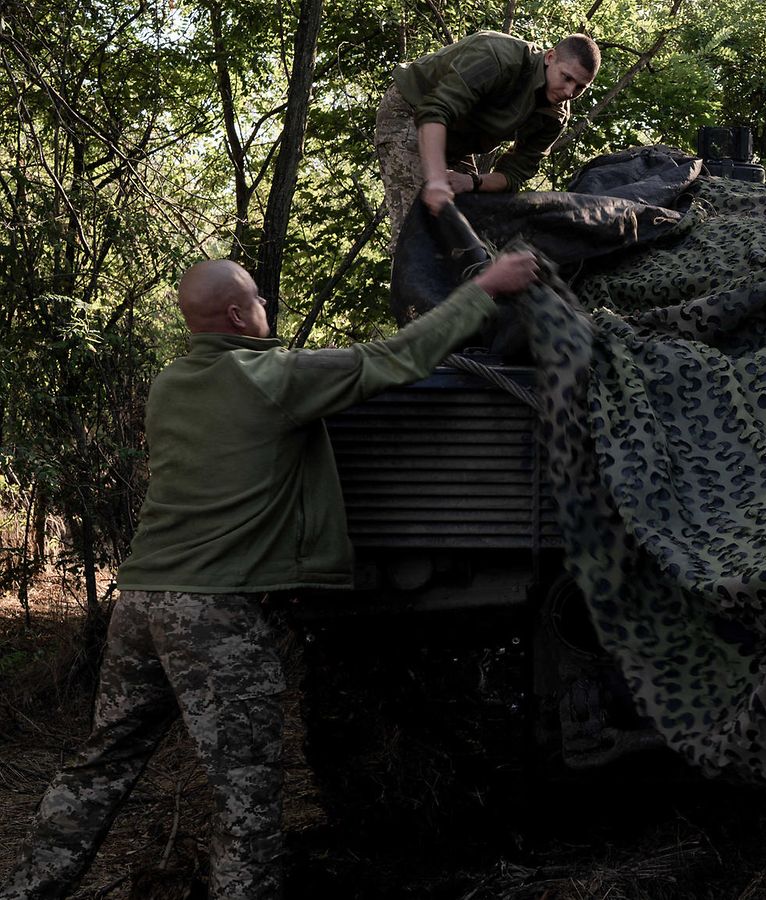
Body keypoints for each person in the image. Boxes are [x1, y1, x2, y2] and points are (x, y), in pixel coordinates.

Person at [0, 249, 541, 900]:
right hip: (212, 614)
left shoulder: (170, 383)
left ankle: (27, 890)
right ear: (236, 314)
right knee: (245, 797)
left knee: (100, 764)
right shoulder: (272, 379)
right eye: (257, 298)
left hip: (140, 601)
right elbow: (399, 356)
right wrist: (485, 288)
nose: (265, 306)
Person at [375, 30, 601, 233]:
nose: (570, 91)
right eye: (567, 78)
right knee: (417, 230)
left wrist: (472, 182)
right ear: (550, 57)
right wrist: (435, 181)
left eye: (580, 87)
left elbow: (514, 175)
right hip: (411, 110)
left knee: (470, 231)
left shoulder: (555, 117)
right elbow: (436, 110)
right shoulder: (498, 55)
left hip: (458, 140)